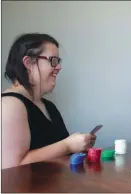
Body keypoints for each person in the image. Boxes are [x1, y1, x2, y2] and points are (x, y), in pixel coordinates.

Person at [2, 33, 96, 169]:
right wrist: (67, 145)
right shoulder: (9, 105)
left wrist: (78, 146)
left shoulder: (48, 106)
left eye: (58, 61)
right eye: (53, 61)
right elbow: (11, 167)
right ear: (28, 63)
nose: (58, 67)